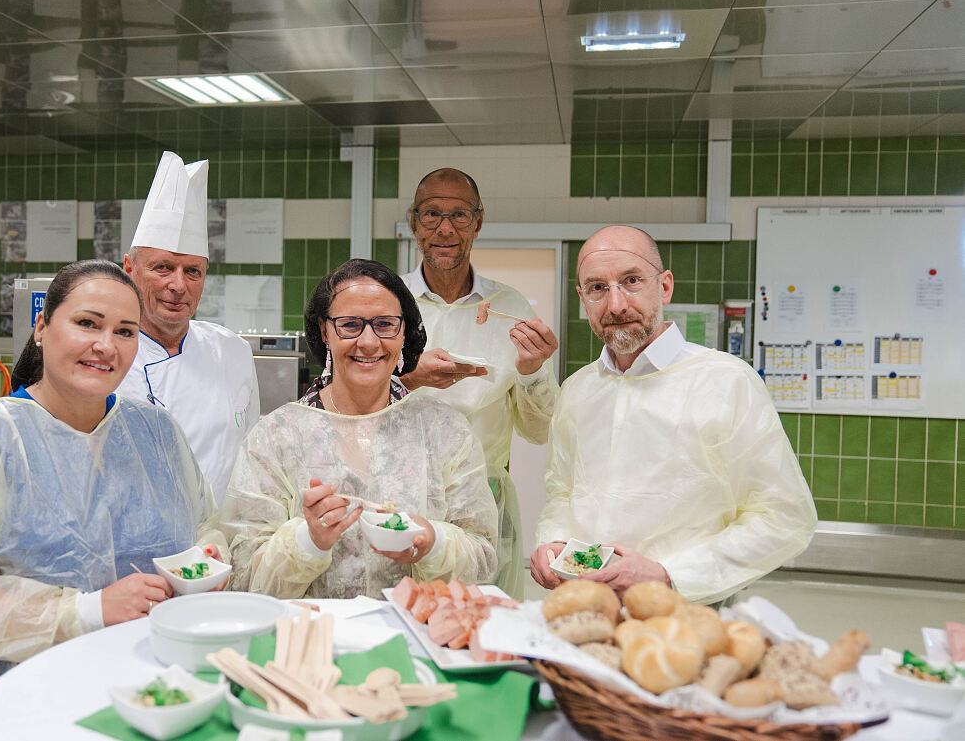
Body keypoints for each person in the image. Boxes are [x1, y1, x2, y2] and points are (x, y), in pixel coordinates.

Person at [0, 260, 224, 741]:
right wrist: (86, 611)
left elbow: (202, 526)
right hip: (22, 704)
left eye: (125, 331)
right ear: (43, 328)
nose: (106, 345)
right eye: (87, 323)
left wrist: (206, 561)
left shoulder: (156, 433)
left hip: (147, 696)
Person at [530, 225, 817, 605]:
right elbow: (563, 492)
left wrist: (668, 575)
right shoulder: (579, 389)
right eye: (598, 288)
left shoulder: (726, 382)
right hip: (585, 605)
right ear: (583, 299)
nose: (615, 305)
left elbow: (784, 516)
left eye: (631, 281)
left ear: (664, 287)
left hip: (686, 610)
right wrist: (552, 541)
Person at [221, 259, 499, 599]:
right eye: (350, 325)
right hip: (312, 639)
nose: (368, 342)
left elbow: (484, 561)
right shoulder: (277, 436)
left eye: (385, 324)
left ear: (403, 332)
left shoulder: (445, 432)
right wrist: (308, 541)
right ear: (324, 331)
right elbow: (243, 575)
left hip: (415, 638)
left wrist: (434, 542)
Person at [399, 168, 559, 598]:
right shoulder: (388, 301)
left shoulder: (509, 307)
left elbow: (540, 429)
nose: (445, 228)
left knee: (482, 622)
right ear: (413, 222)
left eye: (459, 214)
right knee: (400, 614)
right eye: (432, 214)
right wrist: (409, 378)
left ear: (479, 222)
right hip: (397, 495)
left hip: (486, 500)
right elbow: (345, 396)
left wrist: (533, 370)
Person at [118, 151, 260, 503]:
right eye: (163, 267)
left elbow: (251, 458)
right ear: (128, 269)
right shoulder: (103, 356)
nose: (178, 285)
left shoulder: (232, 351)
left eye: (192, 271)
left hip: (218, 546)